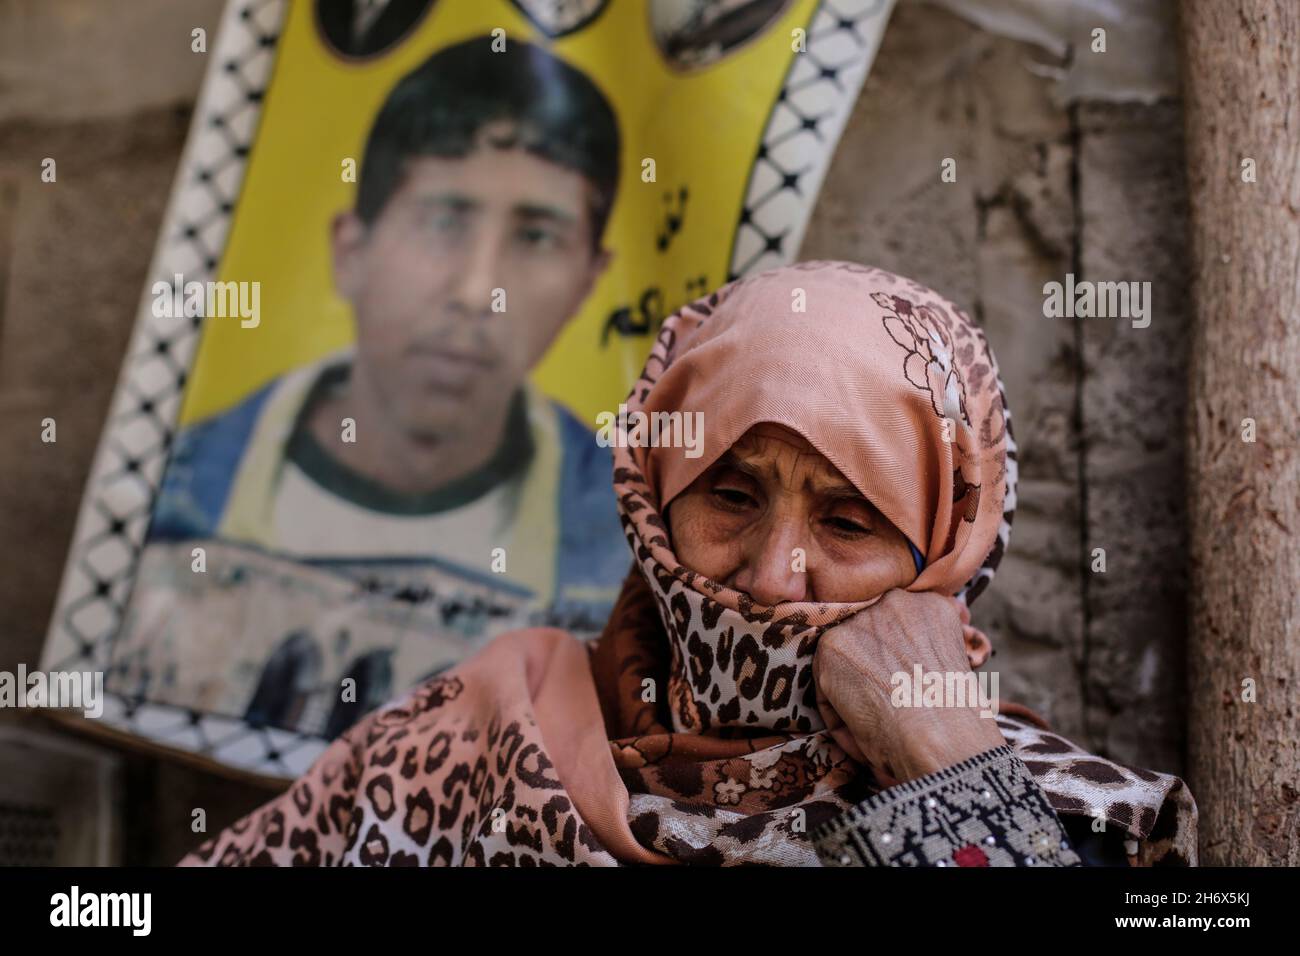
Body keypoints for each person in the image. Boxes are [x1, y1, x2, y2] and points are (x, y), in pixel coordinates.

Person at [180, 261, 1198, 867]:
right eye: (731, 494)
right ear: (653, 493)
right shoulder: (477, 739)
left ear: (944, 547)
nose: (769, 573)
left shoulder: (1080, 823)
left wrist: (950, 770)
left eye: (847, 520)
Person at [148, 36, 627, 623]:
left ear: (587, 283)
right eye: (440, 222)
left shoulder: (635, 550)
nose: (477, 292)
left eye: (535, 238)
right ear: (350, 252)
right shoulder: (162, 490)